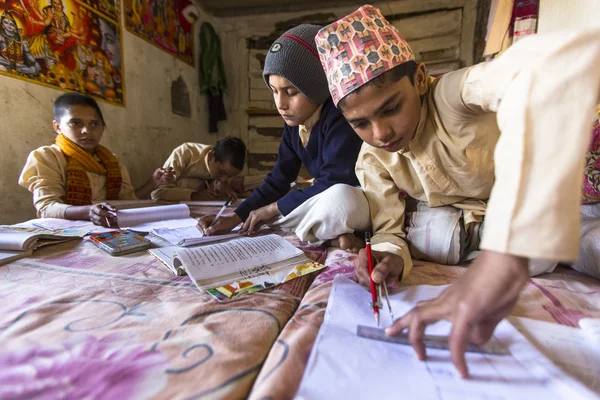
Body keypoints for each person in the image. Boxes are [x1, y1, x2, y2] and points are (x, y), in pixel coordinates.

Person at [315, 5, 600, 377]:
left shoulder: (450, 97)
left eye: (391, 108)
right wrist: (389, 257)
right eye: (361, 124)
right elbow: (388, 228)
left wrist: (505, 257)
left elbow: (546, 69)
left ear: (419, 79)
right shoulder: (372, 159)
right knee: (430, 235)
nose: (381, 133)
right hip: (474, 222)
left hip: (560, 206)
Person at [198, 24, 367, 249]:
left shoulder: (340, 116)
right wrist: (236, 216)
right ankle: (332, 235)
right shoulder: (293, 125)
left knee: (341, 199)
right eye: (274, 91)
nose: (280, 104)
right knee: (287, 202)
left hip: (358, 196)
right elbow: (278, 180)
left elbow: (337, 179)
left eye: (291, 92)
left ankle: (331, 232)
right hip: (327, 200)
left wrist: (273, 209)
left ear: (317, 85)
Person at [19, 92, 173, 227]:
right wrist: (88, 211)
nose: (87, 130)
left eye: (94, 124)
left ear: (102, 127)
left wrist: (153, 182)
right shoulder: (47, 156)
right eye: (75, 123)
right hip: (63, 231)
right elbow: (47, 207)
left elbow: (127, 201)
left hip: (104, 228)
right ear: (58, 126)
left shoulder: (111, 161)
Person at [151, 137, 247, 202]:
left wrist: (224, 189)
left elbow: (221, 183)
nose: (223, 179)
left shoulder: (221, 165)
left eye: (229, 176)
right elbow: (157, 194)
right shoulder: (185, 153)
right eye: (221, 172)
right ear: (211, 156)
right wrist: (195, 195)